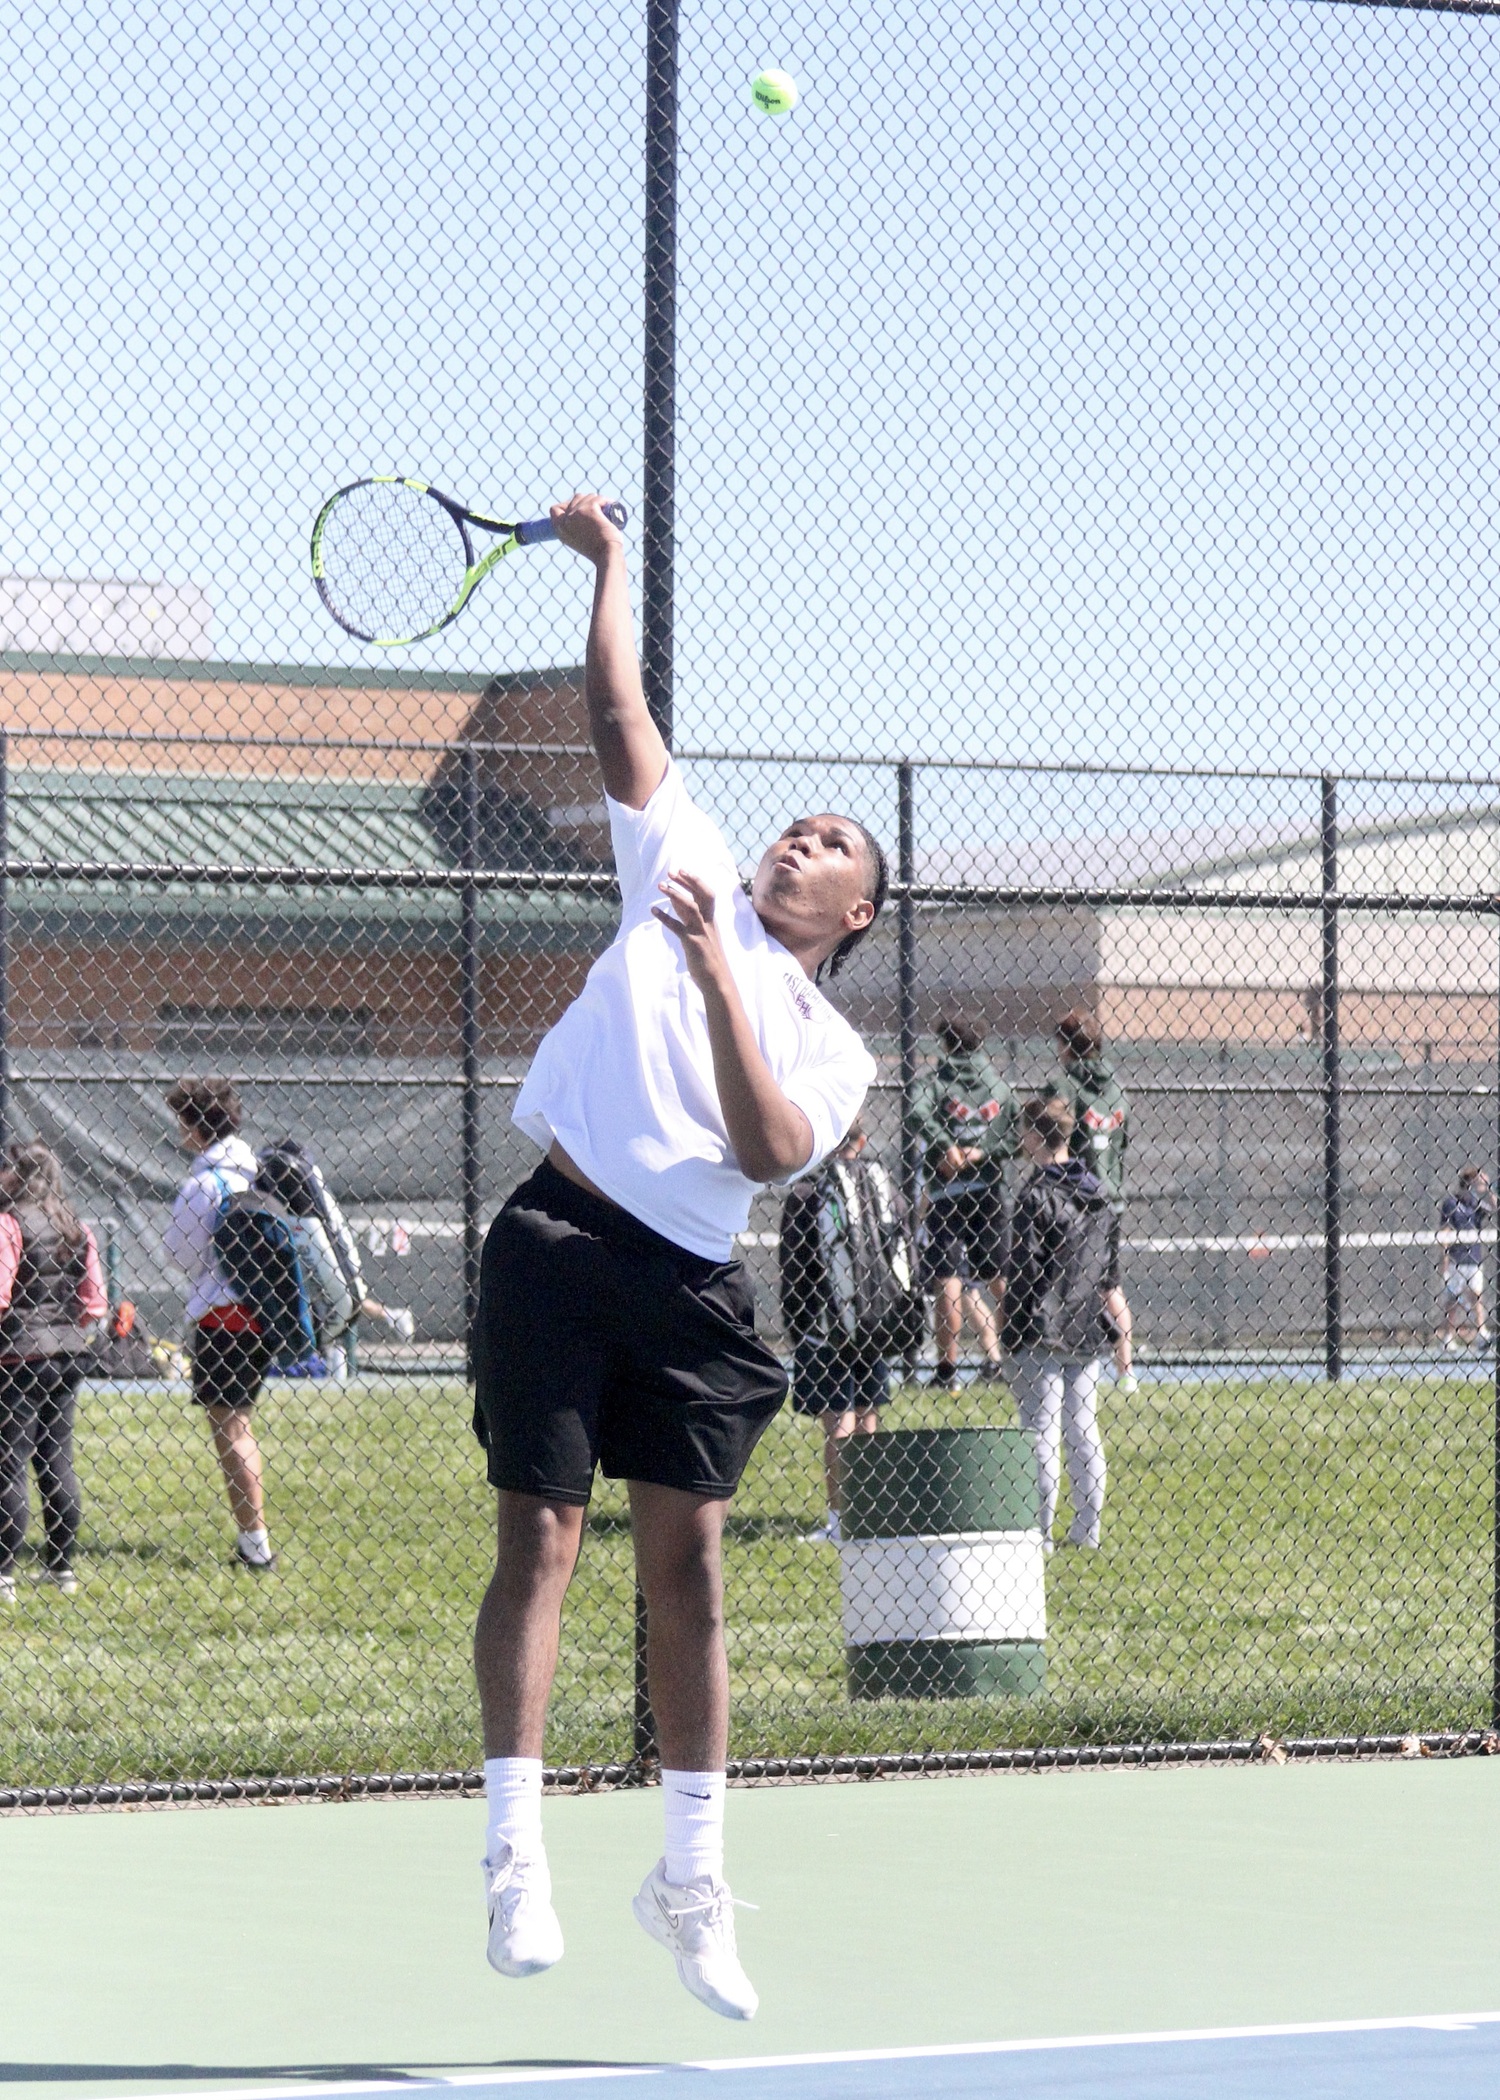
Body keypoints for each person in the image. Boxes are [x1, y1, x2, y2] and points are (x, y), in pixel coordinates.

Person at [470, 493, 884, 2020]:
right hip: (558, 1239)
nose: (798, 838)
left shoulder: (831, 1046)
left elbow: (772, 1149)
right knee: (543, 1540)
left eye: (832, 843)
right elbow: (613, 708)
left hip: (692, 1287)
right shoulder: (683, 851)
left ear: (856, 910)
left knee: (692, 1571)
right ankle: (516, 1848)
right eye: (800, 821)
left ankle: (689, 1879)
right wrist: (609, 567)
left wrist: (721, 967)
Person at [778, 1118, 916, 1545]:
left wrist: (798, 1326)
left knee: (837, 1423)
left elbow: (793, 1266)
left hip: (827, 1325)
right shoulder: (887, 1189)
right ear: (863, 1140)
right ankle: (869, 1514)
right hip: (876, 1323)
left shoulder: (807, 1195)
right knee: (868, 1419)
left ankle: (840, 1521)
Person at [161, 1078, 277, 1573]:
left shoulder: (206, 1182)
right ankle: (251, 1540)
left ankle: (256, 1546)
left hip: (222, 1316)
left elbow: (178, 1252)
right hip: (264, 1312)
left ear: (195, 1124)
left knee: (231, 1429)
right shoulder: (257, 1171)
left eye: (182, 1120)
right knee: (238, 1423)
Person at [1000, 1096, 1113, 1550]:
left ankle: (1040, 1535)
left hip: (1041, 1327)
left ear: (1033, 1136)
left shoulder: (1034, 1194)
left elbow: (1025, 1269)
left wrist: (1011, 1331)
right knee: (1083, 1430)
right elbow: (1108, 1267)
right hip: (1086, 1323)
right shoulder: (1099, 1193)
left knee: (1040, 1432)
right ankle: (1087, 1532)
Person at [0, 1142, 107, 1602]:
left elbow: (1, 1294)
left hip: (17, 1358)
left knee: (8, 1465)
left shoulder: (9, 1224)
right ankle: (61, 1568)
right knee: (55, 1458)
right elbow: (95, 1301)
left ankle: (3, 1572)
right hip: (66, 1355)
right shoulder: (76, 1227)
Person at [911, 1015, 1019, 1390]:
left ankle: (947, 1370)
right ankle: (1010, 1359)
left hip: (947, 1194)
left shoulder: (938, 1082)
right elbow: (1016, 1136)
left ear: (945, 1043)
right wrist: (982, 1152)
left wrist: (948, 1146)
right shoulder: (998, 1085)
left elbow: (917, 1112)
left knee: (949, 1281)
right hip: (989, 1192)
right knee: (998, 1279)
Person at [1050, 1010, 1136, 1393]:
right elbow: (1123, 1142)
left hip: (1075, 1199)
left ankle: (1076, 1364)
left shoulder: (1064, 1085)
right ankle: (1125, 1370)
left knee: (1076, 1283)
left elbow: (1051, 1133)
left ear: (1067, 1046)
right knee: (1108, 1284)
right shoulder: (1116, 1088)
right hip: (1110, 1198)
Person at [1439, 1166, 1492, 1351]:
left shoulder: (1477, 1205)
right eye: (1478, 1181)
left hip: (1474, 1260)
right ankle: (1448, 1337)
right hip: (1456, 1260)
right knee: (1453, 1299)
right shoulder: (1450, 1203)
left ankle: (1481, 1334)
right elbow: (1445, 1230)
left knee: (1476, 1297)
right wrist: (1445, 1258)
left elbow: (1495, 1207)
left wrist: (1490, 1189)